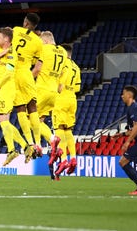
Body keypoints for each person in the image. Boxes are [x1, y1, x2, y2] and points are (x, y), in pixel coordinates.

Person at [0, 27, 29, 166]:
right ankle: (25, 146)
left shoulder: (12, 54)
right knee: (3, 121)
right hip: (0, 89)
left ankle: (12, 150)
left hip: (6, 88)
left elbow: (10, 72)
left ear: (6, 39)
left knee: (4, 120)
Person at [12, 13, 43, 162]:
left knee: (20, 108)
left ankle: (29, 142)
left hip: (12, 72)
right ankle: (38, 143)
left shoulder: (16, 30)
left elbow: (6, 34)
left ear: (25, 22)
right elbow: (37, 64)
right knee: (33, 107)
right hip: (25, 72)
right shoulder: (38, 42)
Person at [51, 44, 81, 180]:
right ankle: (73, 158)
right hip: (72, 99)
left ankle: (63, 159)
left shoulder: (62, 63)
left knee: (59, 129)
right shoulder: (76, 67)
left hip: (61, 97)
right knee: (68, 130)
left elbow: (58, 83)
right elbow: (77, 88)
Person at [35, 31, 67, 149]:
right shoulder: (63, 52)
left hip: (42, 89)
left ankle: (51, 139)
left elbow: (37, 69)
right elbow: (64, 72)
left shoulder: (45, 49)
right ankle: (48, 145)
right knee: (39, 121)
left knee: (30, 119)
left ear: (46, 41)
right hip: (54, 92)